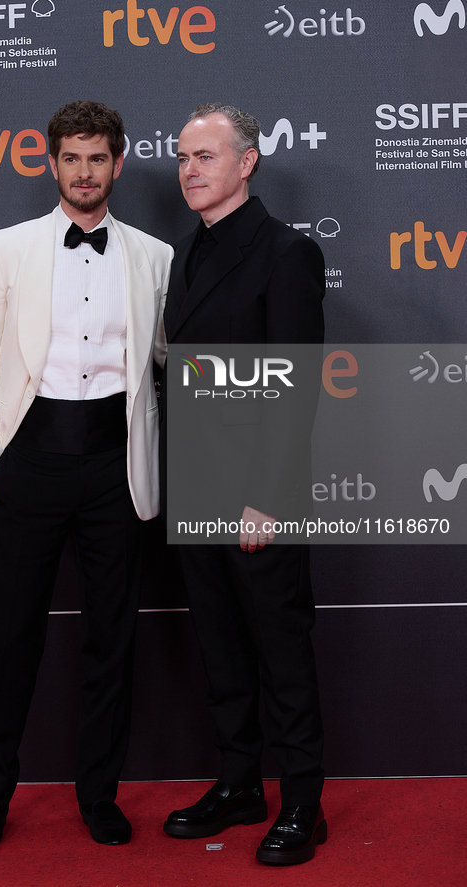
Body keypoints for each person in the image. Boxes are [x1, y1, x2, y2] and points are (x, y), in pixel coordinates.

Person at [0, 100, 173, 849]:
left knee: (111, 639)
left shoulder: (153, 256)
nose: (84, 172)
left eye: (97, 158)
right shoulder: (4, 248)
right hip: (31, 462)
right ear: (52, 163)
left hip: (116, 467)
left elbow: (169, 363)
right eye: (71, 158)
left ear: (117, 162)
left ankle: (98, 794)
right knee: (11, 637)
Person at [161, 104, 326, 866]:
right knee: (220, 646)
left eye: (205, 156)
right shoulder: (185, 255)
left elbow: (294, 388)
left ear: (247, 161)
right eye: (183, 157)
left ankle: (301, 802)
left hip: (257, 497)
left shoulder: (285, 253)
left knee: (278, 647)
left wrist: (267, 494)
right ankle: (238, 783)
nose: (189, 170)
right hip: (194, 487)